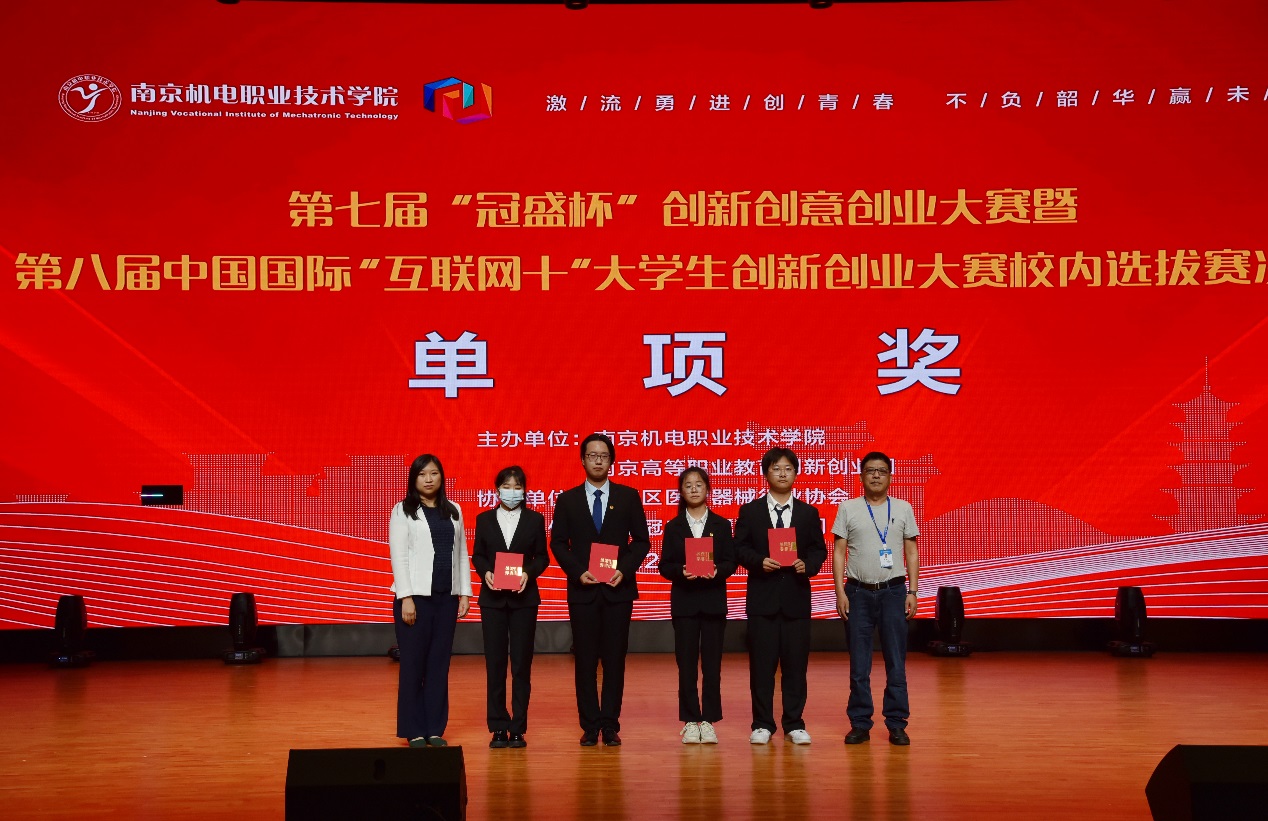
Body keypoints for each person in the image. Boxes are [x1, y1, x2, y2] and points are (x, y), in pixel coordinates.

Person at [550, 433, 651, 747]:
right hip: (583, 590)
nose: (597, 460)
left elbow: (642, 541)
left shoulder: (628, 496)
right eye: (592, 455)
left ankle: (610, 724)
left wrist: (625, 569)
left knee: (614, 660)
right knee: (585, 661)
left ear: (611, 461)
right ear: (582, 460)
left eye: (603, 456)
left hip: (618, 590)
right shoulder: (567, 500)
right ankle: (590, 725)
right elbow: (558, 543)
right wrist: (578, 572)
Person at [733, 447, 827, 746]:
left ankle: (794, 723)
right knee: (761, 666)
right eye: (776, 468)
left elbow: (819, 550)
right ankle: (762, 724)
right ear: (766, 474)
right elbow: (739, 548)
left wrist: (807, 565)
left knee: (796, 666)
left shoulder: (808, 513)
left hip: (796, 599)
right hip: (762, 600)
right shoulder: (750, 511)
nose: (782, 473)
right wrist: (758, 561)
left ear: (796, 473)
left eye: (788, 468)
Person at [832, 451, 921, 746]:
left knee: (896, 661)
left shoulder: (904, 508)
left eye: (882, 471)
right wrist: (840, 592)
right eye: (870, 470)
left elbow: (911, 552)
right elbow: (839, 553)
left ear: (890, 477)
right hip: (857, 593)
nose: (876, 475)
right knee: (859, 665)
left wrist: (913, 591)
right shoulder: (848, 508)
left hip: (894, 592)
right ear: (861, 476)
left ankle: (896, 723)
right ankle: (860, 723)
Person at [388, 454, 472, 748]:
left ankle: (435, 728)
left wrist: (465, 592)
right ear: (414, 478)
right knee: (413, 665)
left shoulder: (454, 510)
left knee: (439, 665)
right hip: (416, 600)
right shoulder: (403, 510)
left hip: (446, 600)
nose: (428, 479)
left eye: (434, 473)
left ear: (441, 477)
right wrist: (406, 597)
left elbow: (461, 554)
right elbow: (398, 556)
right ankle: (413, 730)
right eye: (422, 474)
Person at [471, 465, 549, 749]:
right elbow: (478, 555)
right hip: (492, 600)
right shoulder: (484, 519)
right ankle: (498, 727)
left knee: (521, 665)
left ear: (525, 491)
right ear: (497, 490)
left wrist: (529, 573)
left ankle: (518, 728)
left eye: (517, 487)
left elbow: (542, 557)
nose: (512, 492)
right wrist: (485, 573)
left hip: (523, 600)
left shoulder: (534, 519)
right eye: (507, 486)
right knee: (494, 664)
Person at [658, 466, 736, 744]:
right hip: (685, 604)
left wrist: (718, 570)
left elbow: (731, 561)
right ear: (681, 491)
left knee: (712, 666)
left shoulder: (721, 525)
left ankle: (710, 720)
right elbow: (664, 565)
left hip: (713, 602)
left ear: (708, 489)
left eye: (699, 484)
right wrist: (680, 571)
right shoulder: (673, 527)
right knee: (687, 665)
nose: (693, 489)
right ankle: (691, 720)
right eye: (688, 485)